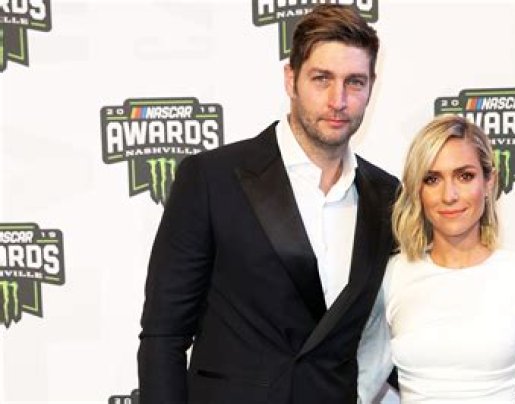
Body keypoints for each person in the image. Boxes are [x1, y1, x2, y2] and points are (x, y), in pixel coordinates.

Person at [137, 5, 398, 403]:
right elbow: (163, 335)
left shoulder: (387, 196)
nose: (338, 100)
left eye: (355, 82)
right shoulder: (212, 179)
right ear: (291, 79)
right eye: (322, 79)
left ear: (371, 87)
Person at [381, 114, 515, 403]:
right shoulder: (393, 274)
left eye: (464, 176)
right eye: (432, 179)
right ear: (417, 189)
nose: (449, 195)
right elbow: (361, 377)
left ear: (489, 182)